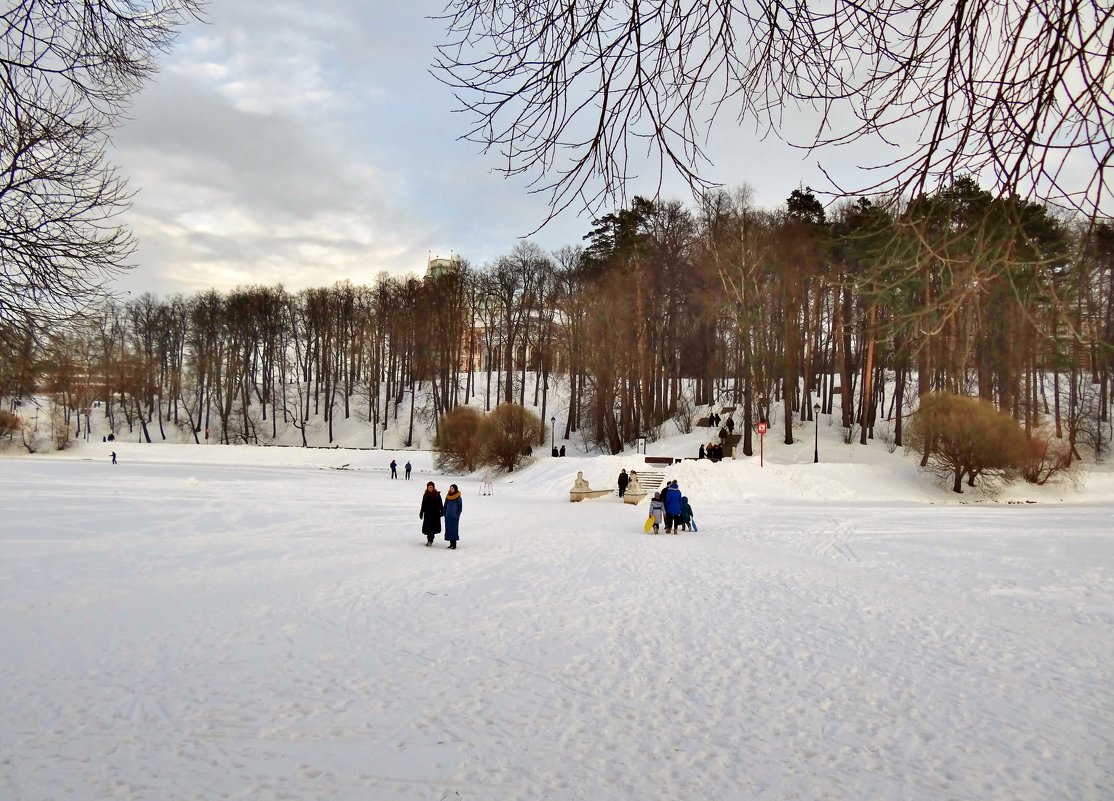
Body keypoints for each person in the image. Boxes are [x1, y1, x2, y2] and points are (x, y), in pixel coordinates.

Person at [419, 481, 444, 546]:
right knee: (428, 528)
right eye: (429, 487)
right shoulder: (425, 495)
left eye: (431, 487)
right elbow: (423, 504)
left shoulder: (437, 494)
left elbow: (440, 504)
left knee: (432, 528)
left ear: (433, 487)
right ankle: (429, 540)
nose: (430, 488)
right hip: (427, 514)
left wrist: (442, 511)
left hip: (435, 514)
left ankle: (430, 540)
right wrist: (421, 513)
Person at [443, 484, 462, 549]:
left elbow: (460, 507)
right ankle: (451, 543)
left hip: (454, 517)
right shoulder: (448, 496)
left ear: (455, 489)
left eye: (452, 488)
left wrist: (457, 515)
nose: (451, 489)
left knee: (454, 529)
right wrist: (445, 513)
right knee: (449, 529)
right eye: (450, 488)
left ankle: (454, 544)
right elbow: (445, 506)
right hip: (448, 516)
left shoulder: (458, 497)